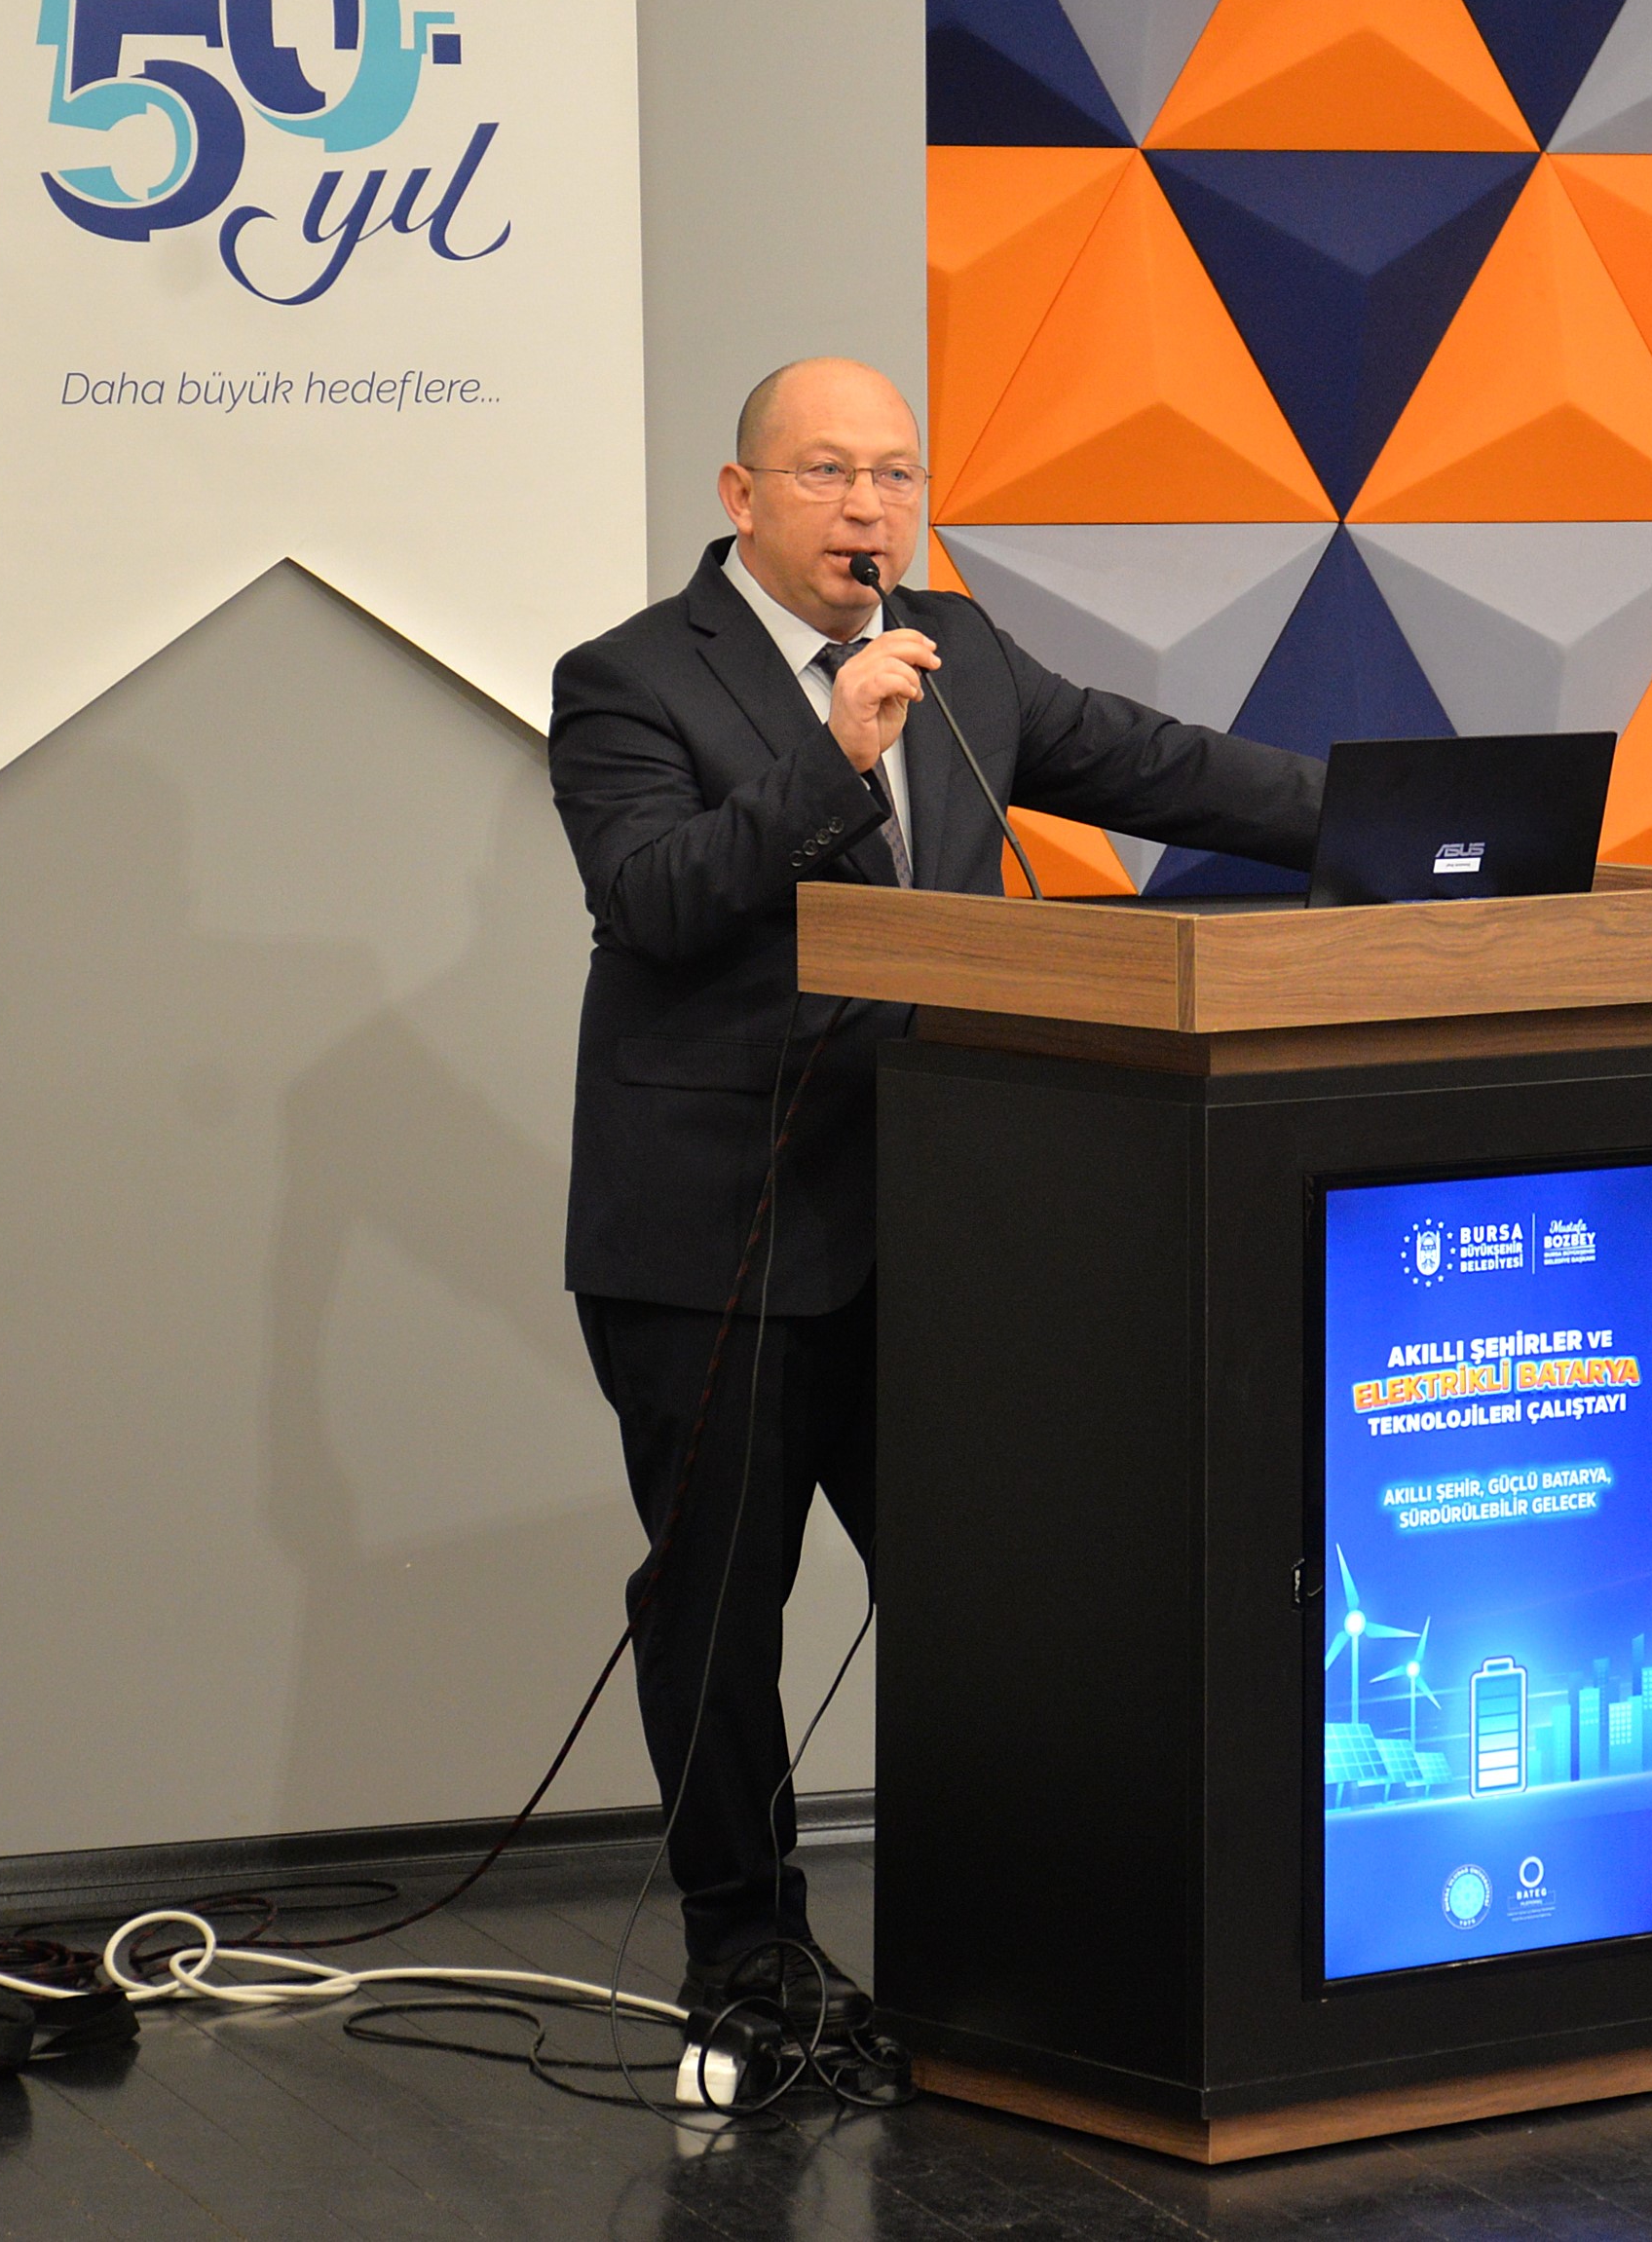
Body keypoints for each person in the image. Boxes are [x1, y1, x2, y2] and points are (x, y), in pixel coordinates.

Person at [545, 359, 1322, 2109]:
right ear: (741, 497)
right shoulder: (629, 677)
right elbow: (652, 898)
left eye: (894, 473)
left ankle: (1002, 1946)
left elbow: (1170, 769)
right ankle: (745, 1959)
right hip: (717, 1237)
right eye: (828, 471)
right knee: (721, 1608)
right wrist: (830, 756)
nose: (868, 507)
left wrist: (1418, 834)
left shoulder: (957, 646)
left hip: (942, 1222)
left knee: (995, 1595)